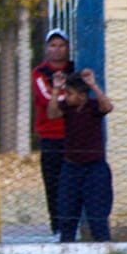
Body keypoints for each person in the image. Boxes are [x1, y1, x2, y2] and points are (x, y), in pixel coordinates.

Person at [46, 68, 114, 243]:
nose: (66, 97)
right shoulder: (67, 108)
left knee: (97, 213)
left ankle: (104, 247)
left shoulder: (93, 106)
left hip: (95, 168)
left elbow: (108, 107)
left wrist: (93, 85)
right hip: (71, 167)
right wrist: (56, 89)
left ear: (82, 96)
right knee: (67, 211)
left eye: (69, 93)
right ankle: (67, 245)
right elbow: (51, 114)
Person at [32, 28, 75, 236]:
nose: (57, 49)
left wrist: (61, 96)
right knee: (53, 183)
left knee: (74, 182)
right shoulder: (40, 72)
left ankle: (74, 225)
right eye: (53, 45)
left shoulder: (75, 69)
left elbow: (80, 96)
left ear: (68, 47)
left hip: (73, 135)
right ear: (47, 48)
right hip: (50, 136)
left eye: (61, 45)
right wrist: (65, 94)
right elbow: (46, 98)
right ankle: (57, 227)